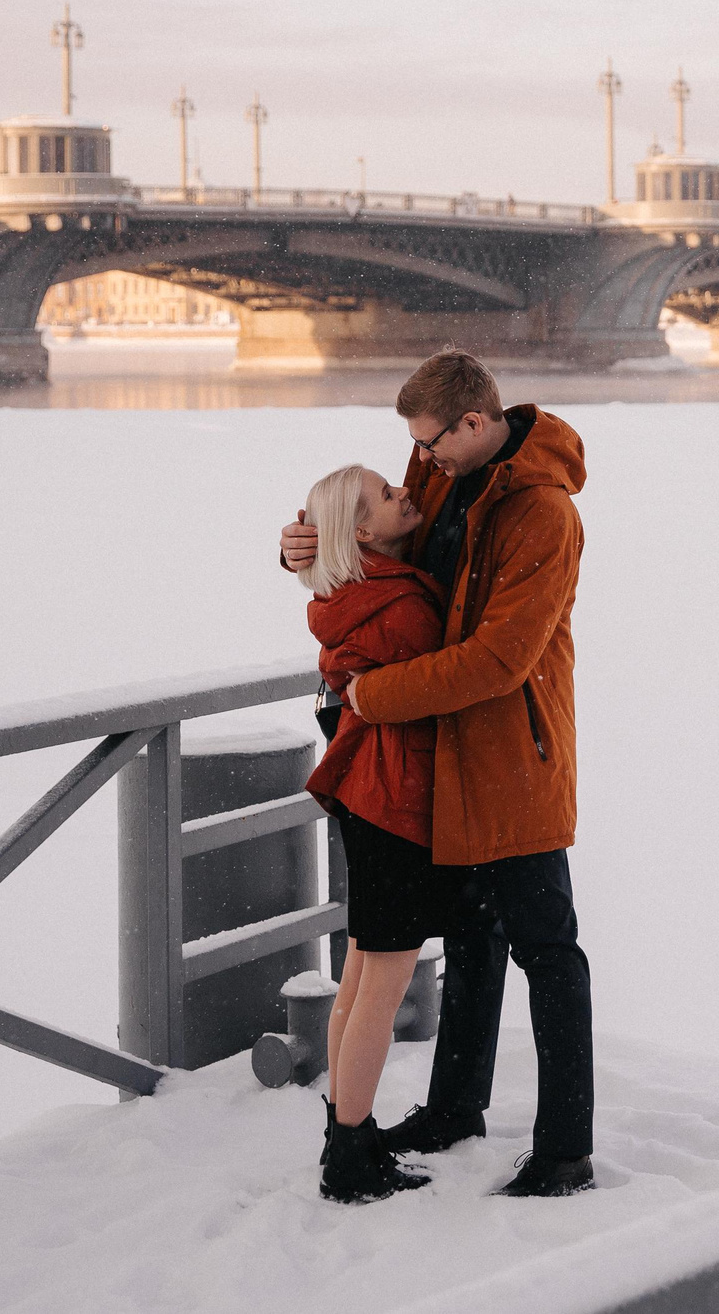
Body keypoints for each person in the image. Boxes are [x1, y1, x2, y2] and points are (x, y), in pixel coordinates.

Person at [280, 349, 596, 1198]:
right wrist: (302, 547)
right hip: (440, 758)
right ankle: (456, 1108)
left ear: (474, 423)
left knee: (547, 947)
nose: (419, 463)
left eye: (431, 444)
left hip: (510, 758)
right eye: (413, 448)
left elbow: (499, 658)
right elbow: (369, 539)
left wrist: (373, 695)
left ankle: (565, 1150)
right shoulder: (446, 468)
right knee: (471, 935)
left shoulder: (545, 516)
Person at [295, 462, 441, 1202]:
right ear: (360, 531)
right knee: (381, 982)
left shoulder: (345, 594)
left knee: (361, 969)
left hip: (361, 790)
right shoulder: (398, 605)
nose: (403, 495)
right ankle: (351, 1156)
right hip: (393, 796)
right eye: (387, 496)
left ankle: (342, 1130)